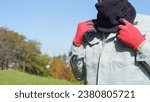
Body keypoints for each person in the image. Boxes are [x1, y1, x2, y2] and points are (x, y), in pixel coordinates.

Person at [69, 0, 150, 85]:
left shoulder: (147, 24)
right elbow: (78, 75)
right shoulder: (89, 30)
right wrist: (77, 43)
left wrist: (141, 45)